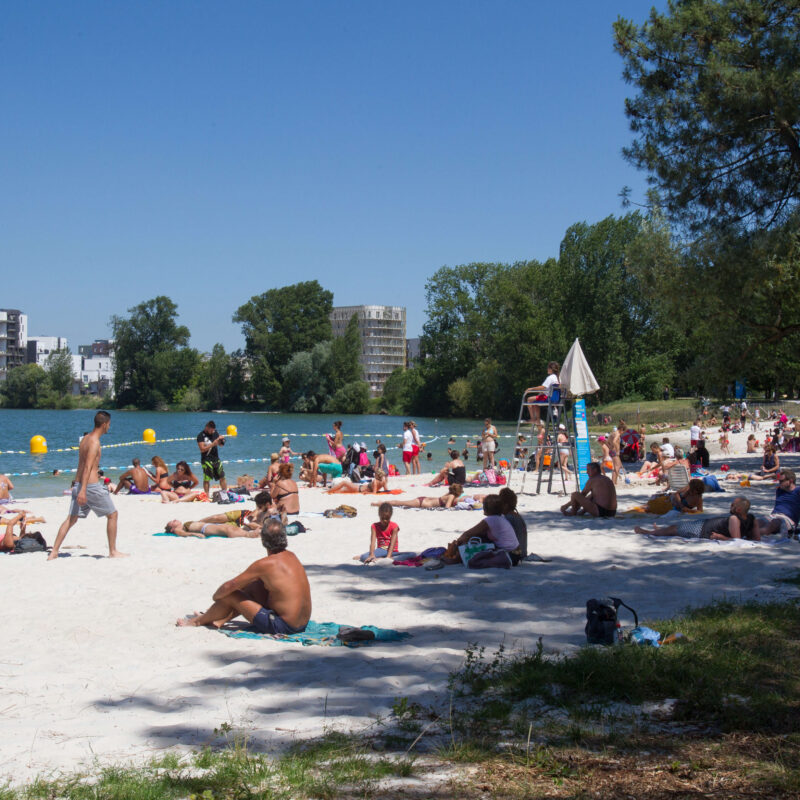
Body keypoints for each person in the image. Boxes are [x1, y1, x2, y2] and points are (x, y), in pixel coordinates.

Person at [176, 519, 311, 634]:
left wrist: (216, 597)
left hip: (283, 627)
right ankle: (217, 619)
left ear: (263, 541)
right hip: (301, 623)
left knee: (231, 594)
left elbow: (230, 586)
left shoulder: (264, 564)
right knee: (255, 586)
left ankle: (197, 621)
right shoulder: (292, 556)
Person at [48, 411, 126, 561]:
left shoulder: (84, 439)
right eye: (109, 424)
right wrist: (83, 490)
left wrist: (79, 487)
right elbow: (88, 466)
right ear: (104, 424)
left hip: (78, 484)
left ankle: (54, 551)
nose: (109, 427)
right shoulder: (95, 442)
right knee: (113, 515)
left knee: (71, 519)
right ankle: (113, 551)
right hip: (89, 486)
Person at [634, 497, 760, 541]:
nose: (730, 506)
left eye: (733, 505)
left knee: (674, 529)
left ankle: (648, 532)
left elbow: (736, 540)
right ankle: (659, 530)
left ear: (738, 510)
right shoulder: (751, 518)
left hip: (702, 530)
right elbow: (756, 538)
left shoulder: (734, 518)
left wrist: (721, 537)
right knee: (674, 528)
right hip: (706, 525)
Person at [451, 494, 519, 556]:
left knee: (472, 540)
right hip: (516, 553)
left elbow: (468, 534)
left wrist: (456, 543)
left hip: (508, 554)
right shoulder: (501, 518)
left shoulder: (491, 519)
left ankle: (455, 558)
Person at [757, 469, 800, 535]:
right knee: (756, 522)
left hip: (788, 519)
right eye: (779, 481)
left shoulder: (798, 491)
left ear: (790, 481)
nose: (779, 483)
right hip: (773, 515)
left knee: (774, 523)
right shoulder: (779, 490)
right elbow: (776, 476)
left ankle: (755, 535)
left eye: (781, 481)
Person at [631, 479, 706, 515]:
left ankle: (637, 508)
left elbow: (699, 511)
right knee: (648, 507)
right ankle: (637, 507)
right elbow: (676, 493)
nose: (693, 492)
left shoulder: (699, 499)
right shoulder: (688, 489)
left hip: (672, 506)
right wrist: (682, 506)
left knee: (648, 509)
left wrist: (688, 511)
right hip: (669, 500)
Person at [372, 484, 463, 509]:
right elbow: (447, 507)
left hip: (423, 499)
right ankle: (379, 504)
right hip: (422, 503)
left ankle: (380, 503)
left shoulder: (448, 495)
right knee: (399, 503)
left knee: (400, 502)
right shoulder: (451, 496)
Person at [197, 420, 227, 495]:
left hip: (216, 458)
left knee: (222, 476)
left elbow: (221, 445)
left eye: (213, 430)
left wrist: (222, 440)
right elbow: (202, 449)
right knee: (207, 479)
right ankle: (207, 495)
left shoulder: (215, 432)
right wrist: (213, 444)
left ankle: (224, 493)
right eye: (211, 430)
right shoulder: (201, 435)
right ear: (207, 428)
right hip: (206, 459)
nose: (212, 432)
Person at [498, 487, 527, 560]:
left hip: (514, 555)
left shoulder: (508, 518)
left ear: (505, 505)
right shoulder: (518, 517)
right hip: (522, 552)